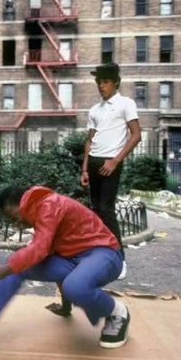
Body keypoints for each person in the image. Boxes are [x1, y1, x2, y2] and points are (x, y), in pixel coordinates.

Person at [0, 186, 130, 351]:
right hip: (73, 260)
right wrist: (66, 306)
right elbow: (51, 256)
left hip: (104, 253)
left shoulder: (50, 204)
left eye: (12, 215)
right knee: (20, 264)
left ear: (21, 203)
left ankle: (118, 312)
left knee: (72, 284)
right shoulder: (40, 213)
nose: (14, 222)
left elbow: (39, 249)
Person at [80, 63, 141, 280]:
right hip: (94, 163)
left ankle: (120, 258)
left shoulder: (126, 104)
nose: (101, 86)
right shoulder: (95, 110)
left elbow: (136, 135)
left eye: (105, 81)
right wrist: (85, 168)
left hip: (110, 163)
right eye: (99, 82)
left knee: (107, 209)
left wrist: (115, 161)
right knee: (97, 210)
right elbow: (89, 139)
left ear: (115, 82)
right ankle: (101, 255)